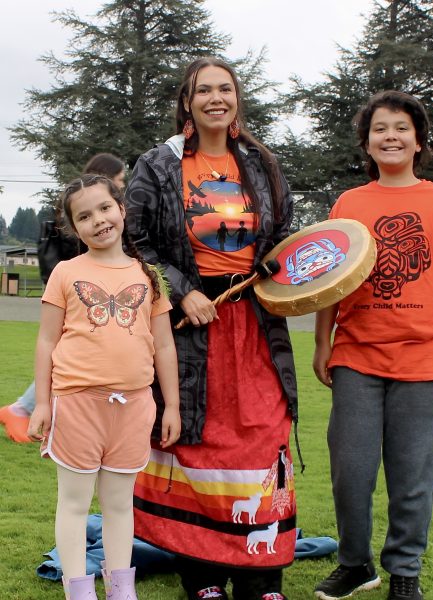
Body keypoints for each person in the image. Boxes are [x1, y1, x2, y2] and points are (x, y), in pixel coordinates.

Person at [125, 57, 298, 600]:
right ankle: (202, 578)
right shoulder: (157, 165)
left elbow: (284, 234)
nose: (216, 98)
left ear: (237, 100)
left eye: (226, 89)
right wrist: (182, 289)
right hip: (190, 329)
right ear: (187, 101)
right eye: (205, 90)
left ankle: (261, 576)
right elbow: (136, 243)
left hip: (255, 324)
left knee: (264, 436)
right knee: (198, 444)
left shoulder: (263, 165)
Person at [312, 90, 433, 600]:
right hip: (357, 358)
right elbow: (331, 277)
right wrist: (323, 340)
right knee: (351, 471)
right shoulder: (350, 203)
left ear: (418, 140)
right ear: (367, 143)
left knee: (412, 476)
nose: (390, 136)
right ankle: (355, 563)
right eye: (380, 129)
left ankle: (405, 572)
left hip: (424, 357)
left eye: (401, 128)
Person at [27, 174, 181, 600]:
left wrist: (171, 407)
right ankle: (78, 589)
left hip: (134, 408)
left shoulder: (148, 275)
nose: (98, 220)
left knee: (118, 505)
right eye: (84, 215)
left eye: (104, 208)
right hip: (77, 405)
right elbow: (47, 341)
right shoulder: (66, 272)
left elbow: (164, 345)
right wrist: (42, 403)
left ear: (121, 209)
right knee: (74, 504)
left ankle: (120, 588)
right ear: (74, 228)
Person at [0, 154, 127, 443]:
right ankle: (22, 409)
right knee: (63, 355)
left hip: (84, 297)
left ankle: (24, 408)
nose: (123, 185)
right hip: (75, 298)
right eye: (119, 180)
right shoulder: (79, 221)